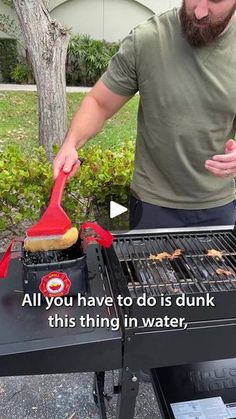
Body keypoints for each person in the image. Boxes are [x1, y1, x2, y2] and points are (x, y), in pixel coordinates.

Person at [53, 0, 236, 230]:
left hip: (218, 206)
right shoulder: (148, 39)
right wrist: (71, 143)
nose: (199, 11)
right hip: (152, 205)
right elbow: (99, 103)